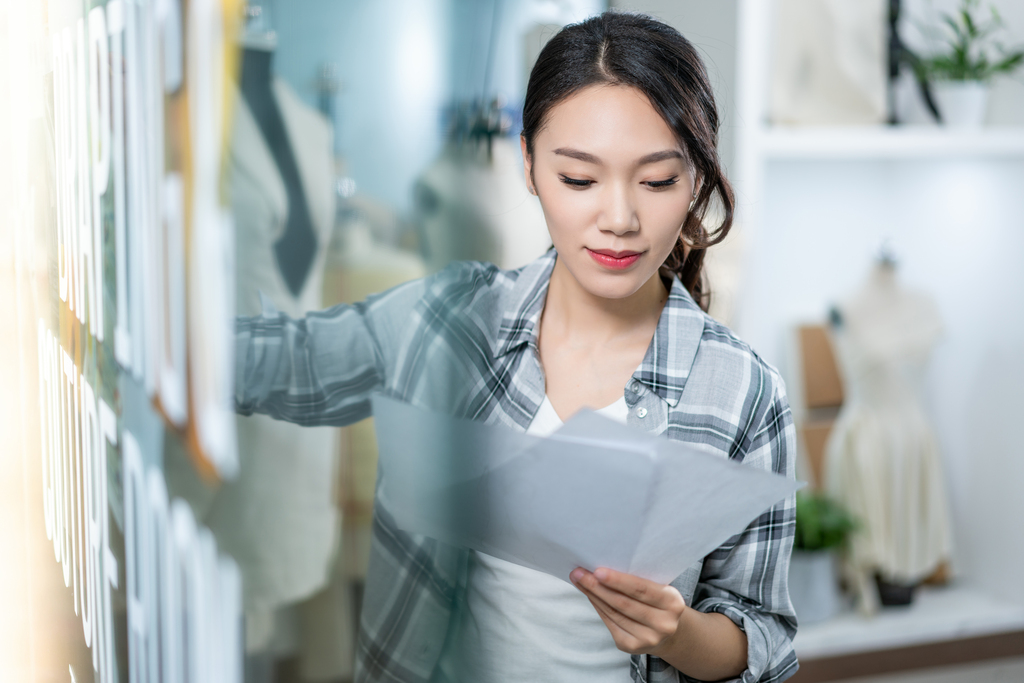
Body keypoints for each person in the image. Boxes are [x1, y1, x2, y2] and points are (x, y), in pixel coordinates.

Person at [234, 11, 798, 683]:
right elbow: (283, 363)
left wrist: (678, 632)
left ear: (697, 181)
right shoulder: (450, 322)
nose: (618, 219)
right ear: (529, 164)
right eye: (579, 179)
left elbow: (764, 637)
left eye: (655, 181)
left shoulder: (743, 390)